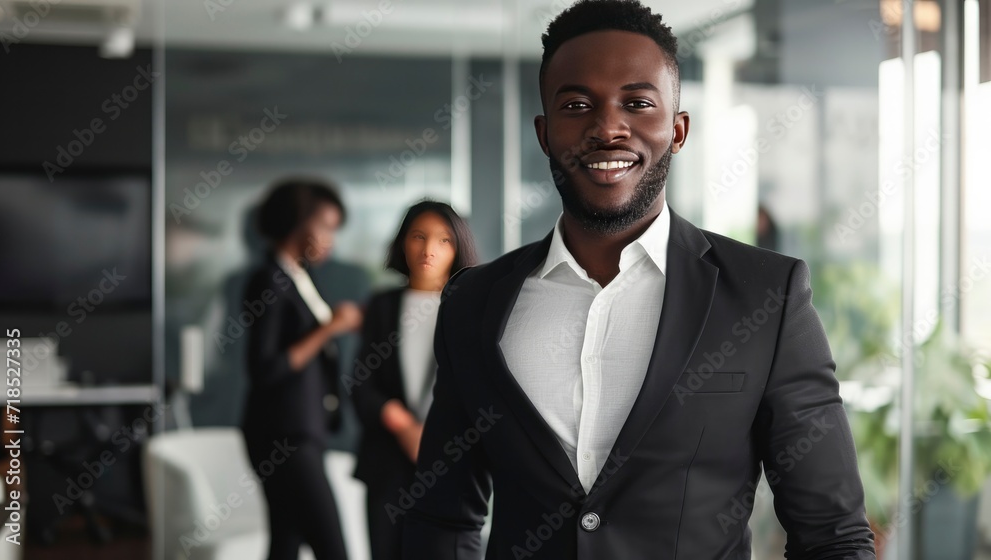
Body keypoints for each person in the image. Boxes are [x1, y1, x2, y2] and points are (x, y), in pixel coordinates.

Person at [402, 1, 877, 558]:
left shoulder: (765, 297)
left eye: (638, 102)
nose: (607, 127)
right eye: (577, 104)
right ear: (545, 132)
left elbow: (831, 532)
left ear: (677, 129)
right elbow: (441, 516)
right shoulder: (474, 302)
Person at [350, 200, 478, 560]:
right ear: (402, 243)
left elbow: (480, 385)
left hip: (452, 460)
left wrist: (435, 432)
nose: (428, 250)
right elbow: (361, 381)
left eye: (443, 240)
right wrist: (402, 423)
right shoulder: (382, 305)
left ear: (459, 247)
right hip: (387, 459)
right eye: (418, 237)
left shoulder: (470, 306)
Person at [242, 177, 362, 560]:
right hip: (284, 435)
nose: (331, 239)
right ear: (298, 222)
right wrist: (330, 328)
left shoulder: (296, 277)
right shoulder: (270, 281)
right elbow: (266, 367)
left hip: (299, 431)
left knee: (286, 544)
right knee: (333, 549)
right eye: (326, 226)